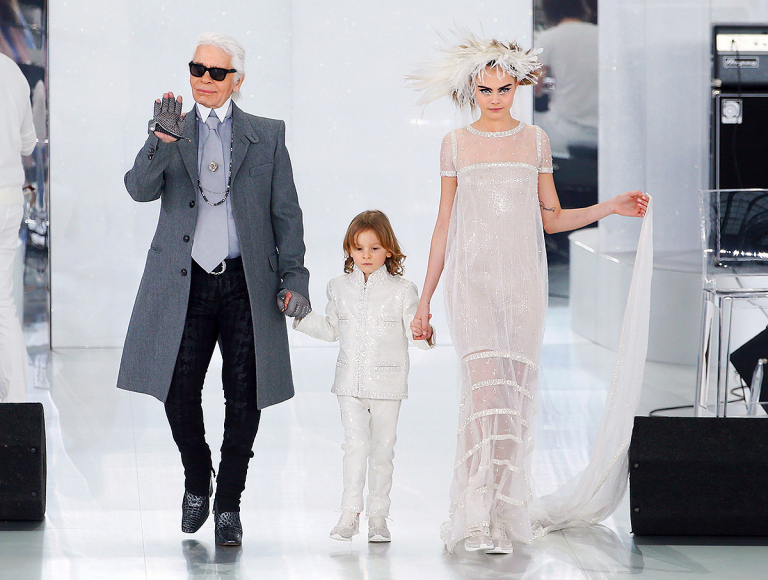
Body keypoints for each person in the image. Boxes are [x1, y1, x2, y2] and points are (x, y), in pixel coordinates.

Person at [408, 32, 648, 555]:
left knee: (513, 402)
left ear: (518, 86)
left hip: (522, 285)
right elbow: (444, 225)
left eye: (505, 88)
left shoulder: (535, 141)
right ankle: (476, 517)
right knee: (484, 397)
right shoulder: (454, 144)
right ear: (471, 88)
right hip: (471, 283)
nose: (495, 98)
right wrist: (424, 301)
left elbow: (552, 218)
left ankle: (503, 516)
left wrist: (609, 207)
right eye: (485, 89)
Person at [117, 33, 310, 546]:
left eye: (217, 72)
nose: (204, 79)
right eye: (197, 69)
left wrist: (295, 277)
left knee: (244, 395)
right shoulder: (172, 129)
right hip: (184, 282)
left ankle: (228, 503)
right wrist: (161, 141)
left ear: (237, 80)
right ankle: (197, 475)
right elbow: (138, 189)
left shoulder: (267, 134)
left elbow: (286, 214)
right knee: (177, 388)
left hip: (247, 282)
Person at [292, 210, 433, 543]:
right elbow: (331, 330)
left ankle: (379, 518)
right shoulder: (338, 288)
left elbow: (415, 331)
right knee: (354, 446)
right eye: (358, 248)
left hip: (388, 386)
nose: (366, 255)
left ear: (388, 250)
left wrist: (423, 333)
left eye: (374, 248)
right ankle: (349, 514)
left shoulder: (403, 290)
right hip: (349, 384)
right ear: (349, 250)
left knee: (383, 451)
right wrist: (302, 316)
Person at [0, 52, 35, 403]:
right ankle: (15, 403)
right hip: (9, 200)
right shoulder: (11, 71)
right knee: (2, 303)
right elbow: (28, 143)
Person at [534, 0, 598, 157]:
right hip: (603, 132)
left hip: (565, 131)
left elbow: (535, 89)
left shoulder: (548, 38)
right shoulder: (602, 35)